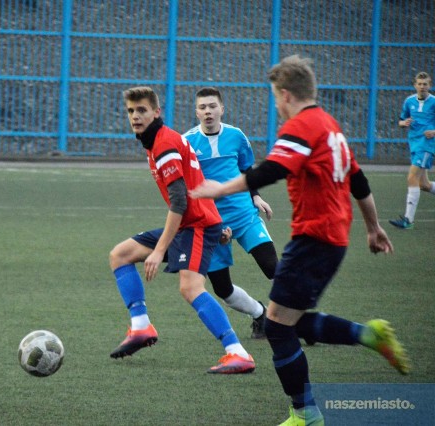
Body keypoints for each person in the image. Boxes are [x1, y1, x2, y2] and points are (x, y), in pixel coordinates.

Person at [190, 55, 409, 425]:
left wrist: (220, 188)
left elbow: (272, 169)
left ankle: (308, 411)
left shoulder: (302, 127)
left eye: (276, 97)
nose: (276, 105)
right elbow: (359, 182)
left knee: (277, 327)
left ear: (286, 94)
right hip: (332, 239)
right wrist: (373, 227)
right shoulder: (330, 126)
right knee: (282, 321)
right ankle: (362, 343)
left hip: (314, 239)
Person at [108, 86, 256, 374]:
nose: (135, 116)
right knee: (121, 255)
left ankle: (238, 352)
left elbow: (179, 200)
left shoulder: (164, 145)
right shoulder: (157, 141)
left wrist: (160, 249)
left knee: (190, 288)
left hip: (197, 225)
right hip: (192, 222)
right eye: (130, 111)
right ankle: (141, 327)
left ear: (156, 112)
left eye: (141, 110)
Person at [183, 87, 278, 339]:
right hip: (211, 223)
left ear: (222, 109)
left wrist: (256, 196)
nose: (208, 111)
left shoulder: (236, 136)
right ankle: (260, 314)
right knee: (222, 289)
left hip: (243, 215)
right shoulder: (187, 143)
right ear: (196, 112)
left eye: (212, 106)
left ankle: (302, 321)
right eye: (202, 107)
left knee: (273, 268)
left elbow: (248, 169)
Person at [389, 71, 435, 229]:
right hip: (414, 144)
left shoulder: (434, 102)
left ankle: (408, 220)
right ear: (415, 85)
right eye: (420, 84)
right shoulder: (409, 101)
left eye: (425, 84)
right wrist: (404, 123)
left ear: (430, 85)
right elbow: (401, 121)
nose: (422, 87)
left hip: (427, 145)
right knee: (424, 184)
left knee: (411, 177)